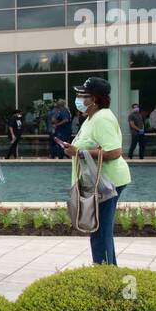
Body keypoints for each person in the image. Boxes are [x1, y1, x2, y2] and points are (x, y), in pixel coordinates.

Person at [57, 77, 131, 266]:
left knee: (100, 230)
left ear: (95, 99)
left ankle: (106, 272)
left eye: (83, 95)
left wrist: (79, 152)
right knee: (97, 229)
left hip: (107, 181)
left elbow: (115, 151)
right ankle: (104, 268)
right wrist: (72, 150)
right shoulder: (91, 118)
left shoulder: (102, 118)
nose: (78, 98)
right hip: (97, 181)